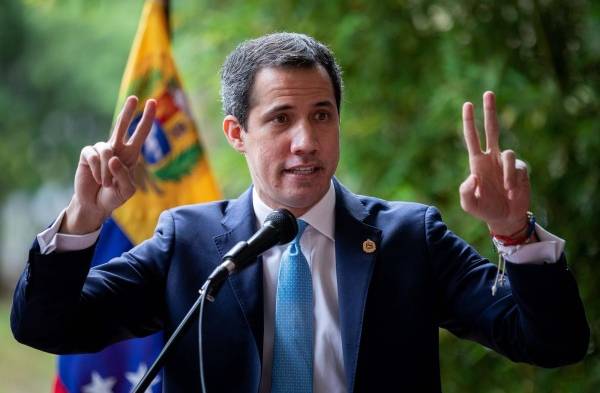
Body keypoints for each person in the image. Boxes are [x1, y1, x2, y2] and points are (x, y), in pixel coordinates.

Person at [11, 32, 589, 393]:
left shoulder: (410, 237)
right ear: (237, 133)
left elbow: (552, 343)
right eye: (281, 119)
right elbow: (45, 327)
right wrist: (83, 219)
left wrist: (514, 232)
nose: (306, 141)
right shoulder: (187, 241)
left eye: (322, 115)